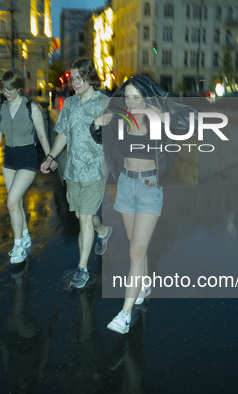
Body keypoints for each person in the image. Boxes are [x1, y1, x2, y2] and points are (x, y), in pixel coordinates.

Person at [98, 75, 178, 334]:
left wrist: (158, 108)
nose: (131, 101)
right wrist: (96, 123)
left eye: (136, 96)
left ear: (146, 96)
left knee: (134, 254)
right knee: (136, 248)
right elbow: (101, 138)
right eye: (127, 96)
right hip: (125, 185)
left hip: (149, 188)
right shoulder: (120, 118)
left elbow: (182, 124)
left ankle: (124, 313)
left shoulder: (157, 118)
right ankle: (143, 285)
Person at [40, 58, 112, 289]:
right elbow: (62, 134)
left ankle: (82, 268)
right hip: (72, 171)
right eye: (72, 79)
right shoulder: (69, 105)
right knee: (87, 216)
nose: (75, 83)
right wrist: (51, 157)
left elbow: (117, 138)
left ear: (91, 77)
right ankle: (104, 231)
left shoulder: (106, 104)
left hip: (96, 170)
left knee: (84, 218)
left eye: (79, 78)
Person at [0, 70, 56, 264]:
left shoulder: (32, 108)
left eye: (10, 89)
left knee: (12, 202)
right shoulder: (0, 109)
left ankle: (18, 247)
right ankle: (24, 235)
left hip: (27, 159)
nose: (6, 93)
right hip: (9, 160)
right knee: (17, 203)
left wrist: (49, 157)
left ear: (19, 88)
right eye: (3, 89)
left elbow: (41, 135)